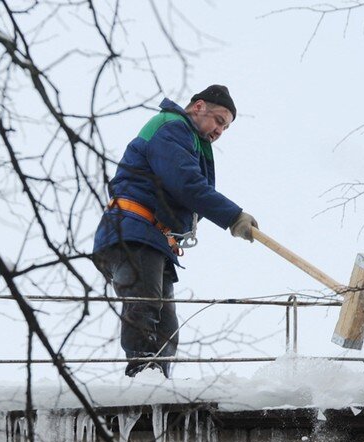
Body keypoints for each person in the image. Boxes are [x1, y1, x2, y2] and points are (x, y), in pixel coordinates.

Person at [92, 85, 258, 378]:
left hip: (153, 239)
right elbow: (186, 184)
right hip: (133, 232)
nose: (220, 131)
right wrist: (233, 217)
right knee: (145, 308)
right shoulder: (171, 127)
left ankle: (156, 379)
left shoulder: (187, 138)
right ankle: (142, 379)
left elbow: (189, 191)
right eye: (219, 120)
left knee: (165, 324)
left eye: (226, 127)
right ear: (198, 107)